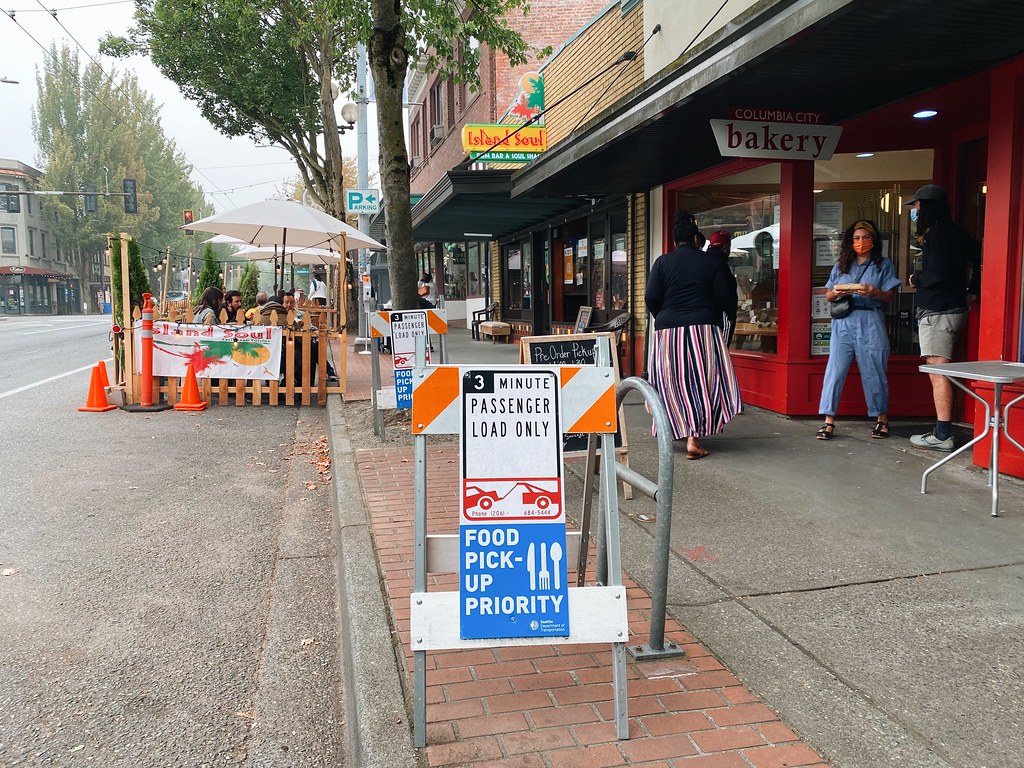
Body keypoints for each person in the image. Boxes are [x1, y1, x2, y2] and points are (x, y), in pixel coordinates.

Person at [645, 210, 742, 459]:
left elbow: (651, 297)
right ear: (698, 240)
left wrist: (666, 316)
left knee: (671, 381)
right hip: (703, 326)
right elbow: (723, 297)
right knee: (702, 380)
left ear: (675, 241)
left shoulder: (662, 262)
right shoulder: (711, 262)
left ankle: (673, 428)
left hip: (668, 330)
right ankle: (693, 437)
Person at [905, 184, 982, 452]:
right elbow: (976, 251)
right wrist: (973, 289)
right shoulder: (955, 231)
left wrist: (916, 278)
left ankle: (942, 434)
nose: (914, 211)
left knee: (937, 371)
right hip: (952, 307)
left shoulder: (937, 234)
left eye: (916, 206)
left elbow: (936, 274)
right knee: (941, 370)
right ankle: (942, 430)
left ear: (926, 207)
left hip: (938, 312)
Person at [816, 220, 902, 441]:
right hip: (843, 320)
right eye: (856, 238)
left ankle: (881, 420)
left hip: (870, 318)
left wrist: (874, 292)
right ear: (850, 241)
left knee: (875, 370)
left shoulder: (883, 265)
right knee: (835, 370)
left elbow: (890, 296)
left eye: (865, 237)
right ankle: (828, 421)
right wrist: (836, 293)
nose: (861, 242)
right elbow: (827, 295)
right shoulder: (841, 264)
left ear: (873, 241)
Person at [706, 229, 738, 346]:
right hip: (721, 317)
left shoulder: (702, 261)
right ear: (725, 246)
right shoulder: (721, 266)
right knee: (720, 352)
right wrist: (731, 317)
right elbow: (725, 294)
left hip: (702, 319)